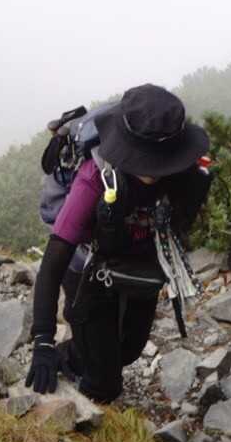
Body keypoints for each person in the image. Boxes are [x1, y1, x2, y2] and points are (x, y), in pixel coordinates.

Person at [25, 85, 212, 403]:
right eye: (146, 162)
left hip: (139, 261)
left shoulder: (186, 170)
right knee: (104, 385)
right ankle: (81, 394)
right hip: (87, 268)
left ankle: (79, 353)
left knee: (128, 350)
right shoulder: (95, 176)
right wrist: (43, 339)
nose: (152, 172)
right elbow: (55, 257)